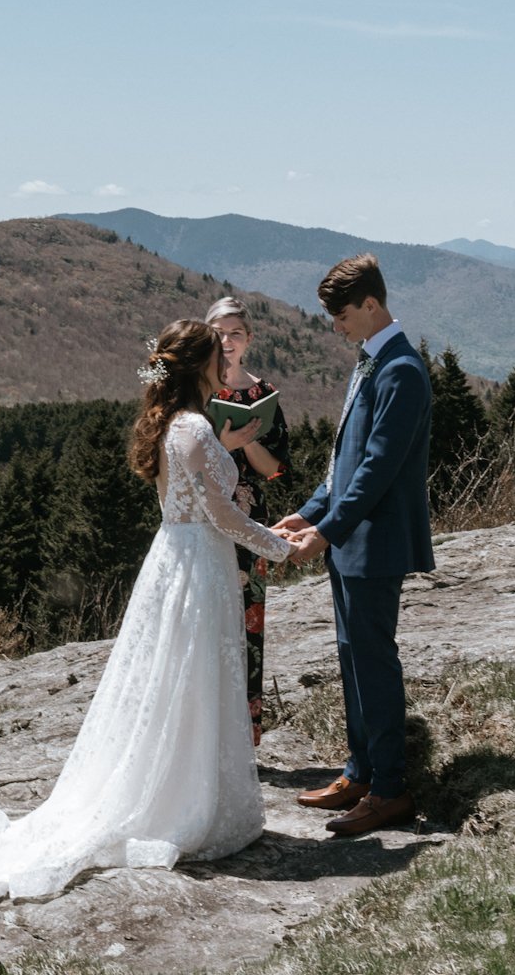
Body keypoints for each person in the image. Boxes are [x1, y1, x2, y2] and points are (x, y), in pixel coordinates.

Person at [0, 318, 295, 902]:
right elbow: (218, 515)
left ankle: (187, 787)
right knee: (192, 677)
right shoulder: (192, 426)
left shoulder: (175, 422)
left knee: (182, 677)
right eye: (218, 353)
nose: (227, 360)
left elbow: (206, 501)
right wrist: (281, 545)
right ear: (201, 366)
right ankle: (184, 804)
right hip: (197, 563)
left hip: (182, 556)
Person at [271, 252, 434, 840]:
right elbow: (345, 462)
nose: (336, 327)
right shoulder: (371, 362)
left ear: (371, 305)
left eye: (341, 315)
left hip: (375, 542)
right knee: (351, 660)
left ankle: (390, 789)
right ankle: (359, 772)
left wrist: (327, 531)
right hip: (350, 539)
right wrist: (310, 512)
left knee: (374, 663)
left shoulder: (402, 371)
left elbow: (377, 471)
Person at [204, 294, 288, 744]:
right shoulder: (197, 390)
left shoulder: (264, 394)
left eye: (235, 332)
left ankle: (244, 735)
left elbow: (275, 469)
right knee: (208, 621)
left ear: (249, 339)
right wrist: (225, 443)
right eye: (219, 332)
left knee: (247, 622)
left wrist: (248, 439)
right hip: (206, 520)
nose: (227, 340)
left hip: (249, 522)